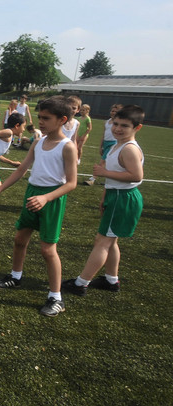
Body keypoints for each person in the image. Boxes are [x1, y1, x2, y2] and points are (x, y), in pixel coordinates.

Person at [0, 96, 78, 317]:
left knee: (47, 250)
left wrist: (46, 198)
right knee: (19, 239)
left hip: (52, 199)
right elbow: (21, 169)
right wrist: (0, 188)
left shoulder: (68, 147)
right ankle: (16, 277)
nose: (40, 122)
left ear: (62, 119)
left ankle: (56, 297)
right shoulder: (38, 142)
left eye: (46, 118)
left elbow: (72, 183)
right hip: (32, 194)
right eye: (39, 117)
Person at [61, 105, 144, 297]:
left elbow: (136, 176)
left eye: (124, 125)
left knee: (103, 241)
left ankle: (81, 283)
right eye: (115, 123)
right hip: (115, 197)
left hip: (123, 198)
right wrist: (104, 196)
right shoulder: (118, 145)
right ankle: (111, 280)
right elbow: (114, 179)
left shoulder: (129, 149)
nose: (118, 128)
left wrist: (105, 173)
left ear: (137, 128)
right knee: (109, 240)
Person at [84, 104, 123, 186]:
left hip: (113, 143)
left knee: (102, 161)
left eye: (116, 112)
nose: (113, 113)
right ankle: (111, 179)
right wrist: (101, 146)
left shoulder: (119, 123)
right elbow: (104, 134)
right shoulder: (107, 122)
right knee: (109, 162)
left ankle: (92, 179)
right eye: (112, 111)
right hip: (106, 143)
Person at [62, 95, 82, 163]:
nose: (71, 110)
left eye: (73, 108)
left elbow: (73, 139)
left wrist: (75, 154)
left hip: (68, 150)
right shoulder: (60, 120)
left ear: (78, 110)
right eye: (69, 107)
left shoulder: (76, 123)